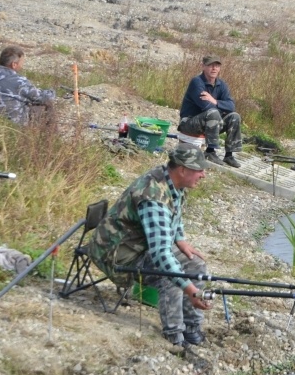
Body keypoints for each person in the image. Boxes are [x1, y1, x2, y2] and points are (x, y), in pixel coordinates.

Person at [90, 143, 213, 348]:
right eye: (199, 170)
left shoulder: (172, 181)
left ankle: (192, 328)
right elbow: (161, 255)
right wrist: (190, 290)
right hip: (117, 255)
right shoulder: (153, 197)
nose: (203, 175)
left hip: (138, 245)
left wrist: (180, 239)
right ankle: (174, 334)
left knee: (196, 264)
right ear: (182, 169)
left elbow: (175, 213)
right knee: (173, 276)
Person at [179, 55, 242, 168]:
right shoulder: (196, 82)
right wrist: (221, 106)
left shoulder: (221, 84)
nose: (214, 68)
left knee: (234, 116)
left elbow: (231, 106)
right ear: (203, 66)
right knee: (213, 112)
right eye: (210, 65)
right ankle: (210, 151)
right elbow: (205, 106)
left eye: (217, 66)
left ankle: (229, 155)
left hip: (210, 122)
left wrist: (215, 101)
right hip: (189, 122)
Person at [0, 45, 55, 126]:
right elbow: (43, 97)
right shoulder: (18, 81)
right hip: (13, 123)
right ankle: (51, 136)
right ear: (14, 65)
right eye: (21, 62)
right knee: (46, 105)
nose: (22, 65)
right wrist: (52, 92)